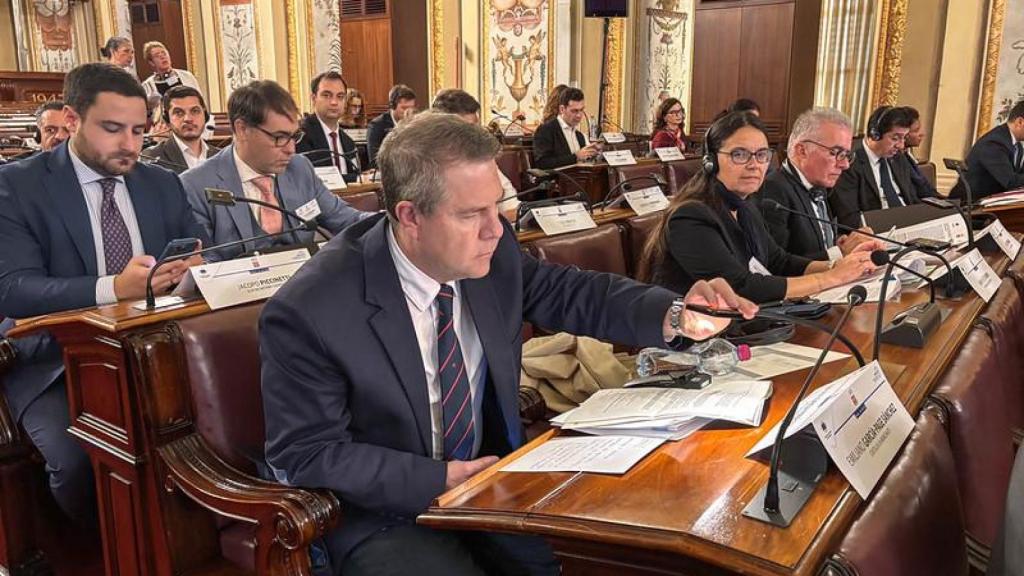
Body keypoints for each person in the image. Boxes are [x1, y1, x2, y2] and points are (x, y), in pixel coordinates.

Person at [260, 111, 757, 576]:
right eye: (472, 214)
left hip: (486, 476)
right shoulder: (312, 310)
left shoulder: (491, 258)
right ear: (409, 216)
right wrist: (441, 479)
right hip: (381, 510)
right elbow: (308, 452)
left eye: (498, 206)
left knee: (600, 554)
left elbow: (574, 293)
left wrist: (673, 312)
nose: (495, 230)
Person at [0, 63, 206, 526]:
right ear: (72, 120)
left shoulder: (161, 183)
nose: (130, 145)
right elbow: (12, 290)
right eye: (112, 129)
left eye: (138, 130)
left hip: (155, 350)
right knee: (78, 464)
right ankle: (107, 549)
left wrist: (195, 269)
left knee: (219, 430)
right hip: (53, 360)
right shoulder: (17, 185)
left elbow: (196, 253)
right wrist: (113, 288)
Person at [638, 111, 881, 304]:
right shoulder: (690, 217)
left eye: (762, 155)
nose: (755, 165)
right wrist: (831, 278)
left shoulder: (746, 206)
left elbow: (779, 261)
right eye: (740, 154)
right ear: (710, 161)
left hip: (745, 326)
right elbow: (742, 286)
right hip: (697, 343)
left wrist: (843, 264)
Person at [180, 80, 366, 262]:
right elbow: (202, 263)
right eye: (279, 137)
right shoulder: (195, 185)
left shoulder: (299, 168)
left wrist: (389, 220)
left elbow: (345, 218)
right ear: (242, 129)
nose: (291, 149)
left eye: (294, 136)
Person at [758, 107, 872, 261]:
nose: (845, 165)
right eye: (835, 153)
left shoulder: (819, 185)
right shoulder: (774, 190)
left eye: (846, 155)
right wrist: (839, 252)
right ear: (802, 151)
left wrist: (837, 243)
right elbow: (776, 265)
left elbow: (813, 244)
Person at [828, 105, 935, 230]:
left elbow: (914, 197)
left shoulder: (899, 158)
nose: (901, 146)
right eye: (895, 138)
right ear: (875, 134)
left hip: (910, 226)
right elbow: (849, 218)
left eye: (904, 138)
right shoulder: (848, 162)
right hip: (876, 232)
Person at [430, 88, 519, 212]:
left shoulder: (481, 155)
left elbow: (510, 203)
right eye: (466, 128)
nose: (474, 134)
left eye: (475, 126)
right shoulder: (426, 162)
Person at [295, 71, 360, 180]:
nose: (334, 102)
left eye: (340, 96)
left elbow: (356, 176)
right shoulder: (300, 135)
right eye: (327, 95)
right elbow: (313, 179)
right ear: (314, 98)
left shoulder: (348, 142)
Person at [141, 85, 220, 174]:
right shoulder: (152, 157)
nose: (188, 119)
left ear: (205, 115)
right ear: (167, 119)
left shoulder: (222, 157)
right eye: (178, 113)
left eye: (195, 111)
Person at [962, 100, 1024, 200]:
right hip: (968, 206)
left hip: (992, 204)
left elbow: (1019, 176)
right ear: (1020, 122)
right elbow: (1010, 182)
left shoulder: (1017, 146)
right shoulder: (994, 143)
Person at [532, 87, 600, 169]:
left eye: (581, 110)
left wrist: (594, 153)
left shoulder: (580, 136)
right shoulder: (545, 130)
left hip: (581, 179)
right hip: (556, 180)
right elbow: (542, 163)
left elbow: (584, 161)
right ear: (562, 109)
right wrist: (575, 157)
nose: (579, 115)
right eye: (574, 111)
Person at [367, 84, 416, 168]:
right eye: (404, 108)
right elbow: (374, 161)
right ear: (392, 105)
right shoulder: (377, 125)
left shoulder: (415, 124)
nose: (408, 112)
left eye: (411, 108)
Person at [895, 106, 938, 198]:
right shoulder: (895, 159)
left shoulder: (907, 156)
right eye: (916, 130)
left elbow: (925, 187)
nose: (922, 134)